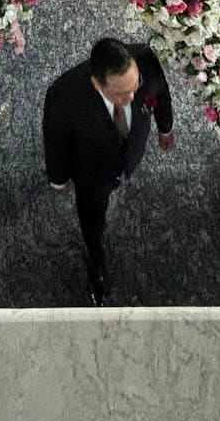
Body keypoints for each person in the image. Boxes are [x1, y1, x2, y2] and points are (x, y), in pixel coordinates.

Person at [43, 37, 175, 304]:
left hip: (130, 153)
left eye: (135, 86)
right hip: (91, 174)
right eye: (119, 94)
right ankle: (96, 264)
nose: (130, 98)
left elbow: (160, 93)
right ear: (96, 83)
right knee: (92, 220)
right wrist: (59, 180)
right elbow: (55, 141)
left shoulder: (146, 63)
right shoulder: (64, 97)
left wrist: (165, 127)